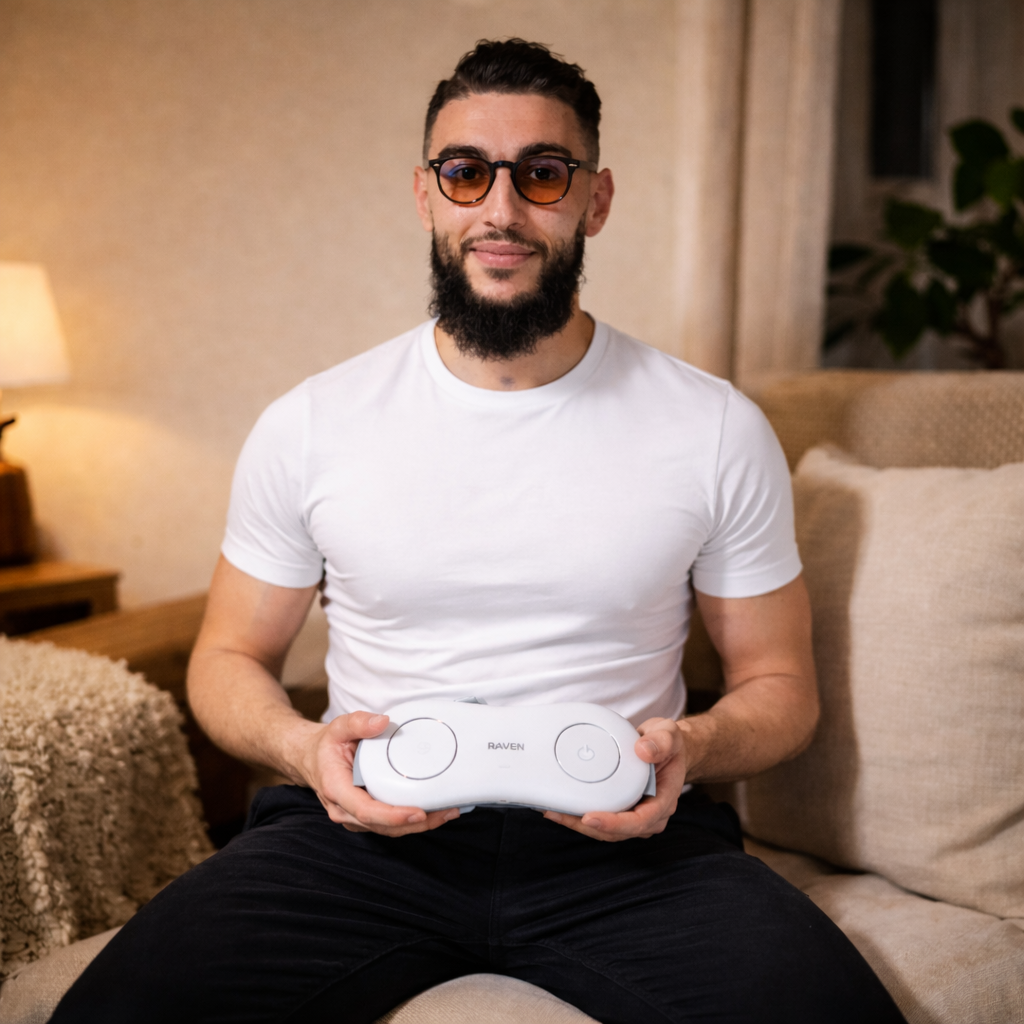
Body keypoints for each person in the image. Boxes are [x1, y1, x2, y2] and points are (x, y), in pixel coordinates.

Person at [52, 39, 906, 1024]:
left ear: (595, 200)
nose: (501, 209)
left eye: (542, 173)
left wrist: (694, 744)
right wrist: (299, 746)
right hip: (359, 839)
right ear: (426, 195)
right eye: (466, 172)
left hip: (625, 849)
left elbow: (782, 688)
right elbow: (228, 656)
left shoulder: (713, 426)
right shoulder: (312, 423)